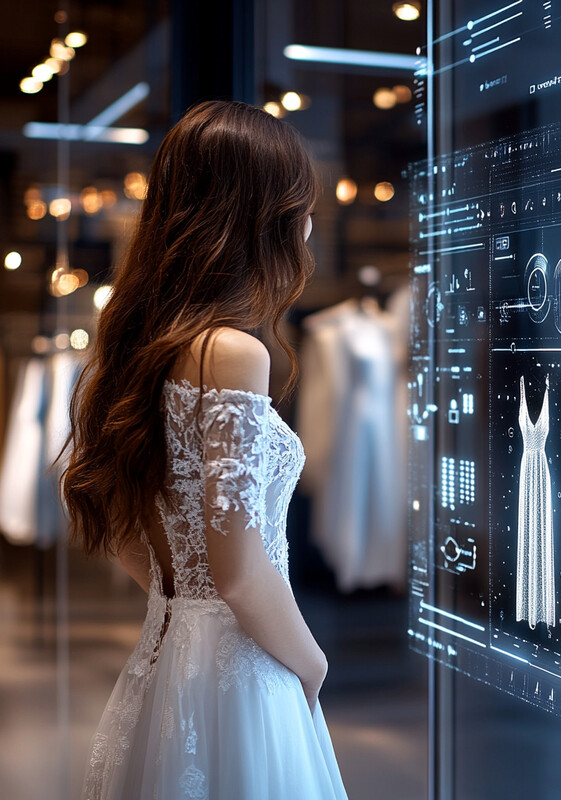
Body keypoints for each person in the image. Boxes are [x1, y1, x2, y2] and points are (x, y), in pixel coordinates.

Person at [61, 100, 348, 799]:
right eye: (299, 203)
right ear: (265, 215)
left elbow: (125, 529)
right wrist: (312, 665)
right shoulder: (229, 353)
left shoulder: (143, 349)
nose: (309, 223)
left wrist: (177, 605)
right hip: (240, 667)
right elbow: (241, 574)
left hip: (167, 656)